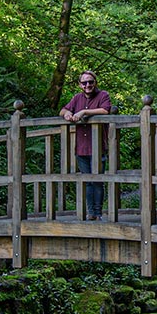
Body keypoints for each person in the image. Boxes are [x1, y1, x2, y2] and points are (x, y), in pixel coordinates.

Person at [61, 71, 114, 220]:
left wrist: (84, 111)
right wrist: (66, 114)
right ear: (80, 85)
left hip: (97, 147)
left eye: (90, 82)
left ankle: (98, 213)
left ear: (95, 82)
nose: (87, 85)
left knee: (97, 180)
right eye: (84, 83)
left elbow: (105, 110)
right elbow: (63, 109)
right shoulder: (77, 98)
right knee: (88, 181)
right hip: (81, 147)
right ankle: (91, 213)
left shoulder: (103, 95)